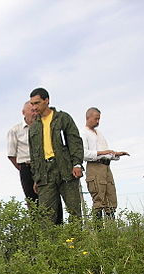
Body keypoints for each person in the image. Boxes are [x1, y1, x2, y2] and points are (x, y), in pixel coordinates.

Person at [28, 88, 84, 223]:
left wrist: (77, 164)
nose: (34, 107)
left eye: (37, 103)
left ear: (46, 101)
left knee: (74, 211)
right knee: (45, 216)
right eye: (32, 104)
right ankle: (49, 244)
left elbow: (75, 141)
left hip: (65, 169)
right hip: (45, 174)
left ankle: (77, 243)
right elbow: (33, 155)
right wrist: (36, 177)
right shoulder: (34, 127)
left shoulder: (63, 119)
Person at [81, 107, 129, 220]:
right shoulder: (83, 133)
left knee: (111, 199)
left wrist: (115, 154)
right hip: (94, 167)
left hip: (106, 167)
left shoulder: (99, 133)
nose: (97, 122)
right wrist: (103, 152)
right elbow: (83, 154)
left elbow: (106, 152)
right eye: (96, 119)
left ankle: (111, 231)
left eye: (99, 119)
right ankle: (99, 233)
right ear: (88, 117)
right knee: (99, 199)